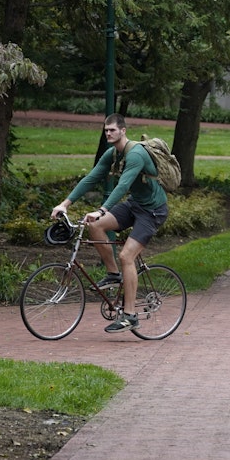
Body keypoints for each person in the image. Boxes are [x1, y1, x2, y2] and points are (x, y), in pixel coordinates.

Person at [50, 114, 169, 333]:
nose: (108, 133)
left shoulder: (136, 155)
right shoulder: (112, 154)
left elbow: (122, 186)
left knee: (126, 256)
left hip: (152, 211)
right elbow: (91, 178)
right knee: (95, 226)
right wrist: (64, 203)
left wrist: (101, 210)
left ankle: (130, 315)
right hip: (135, 205)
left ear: (123, 131)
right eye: (106, 130)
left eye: (112, 130)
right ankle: (113, 274)